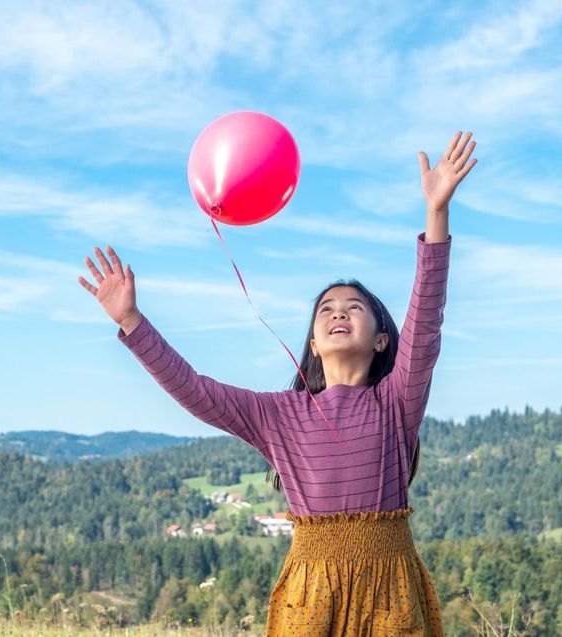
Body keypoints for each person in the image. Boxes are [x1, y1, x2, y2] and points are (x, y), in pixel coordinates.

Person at [77, 131, 477, 636]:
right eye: (326, 309)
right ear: (312, 340)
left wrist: (436, 214)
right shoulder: (279, 416)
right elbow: (195, 390)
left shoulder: (396, 401)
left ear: (380, 340)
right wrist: (133, 322)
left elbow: (426, 319)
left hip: (389, 592)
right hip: (310, 595)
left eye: (354, 307)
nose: (338, 313)